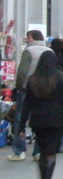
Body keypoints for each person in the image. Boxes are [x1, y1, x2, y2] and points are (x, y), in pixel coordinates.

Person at [18, 50, 63, 179]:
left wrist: (21, 125)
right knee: (51, 152)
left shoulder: (33, 80)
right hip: (57, 120)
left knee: (43, 151)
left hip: (38, 120)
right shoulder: (61, 78)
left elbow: (27, 105)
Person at [8, 29, 47, 162]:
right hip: (44, 90)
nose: (26, 40)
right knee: (40, 120)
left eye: (28, 37)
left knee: (20, 119)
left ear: (33, 38)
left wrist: (19, 88)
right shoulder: (49, 51)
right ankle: (38, 151)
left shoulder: (29, 51)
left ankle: (19, 151)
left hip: (27, 89)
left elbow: (22, 73)